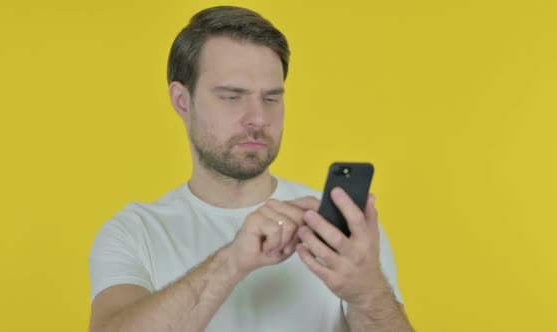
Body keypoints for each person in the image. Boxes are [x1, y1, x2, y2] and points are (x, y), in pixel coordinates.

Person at [89, 6, 414, 332]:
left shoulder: (339, 232)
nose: (258, 118)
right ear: (181, 101)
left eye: (271, 98)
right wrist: (232, 262)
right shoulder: (134, 233)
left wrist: (367, 294)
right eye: (232, 97)